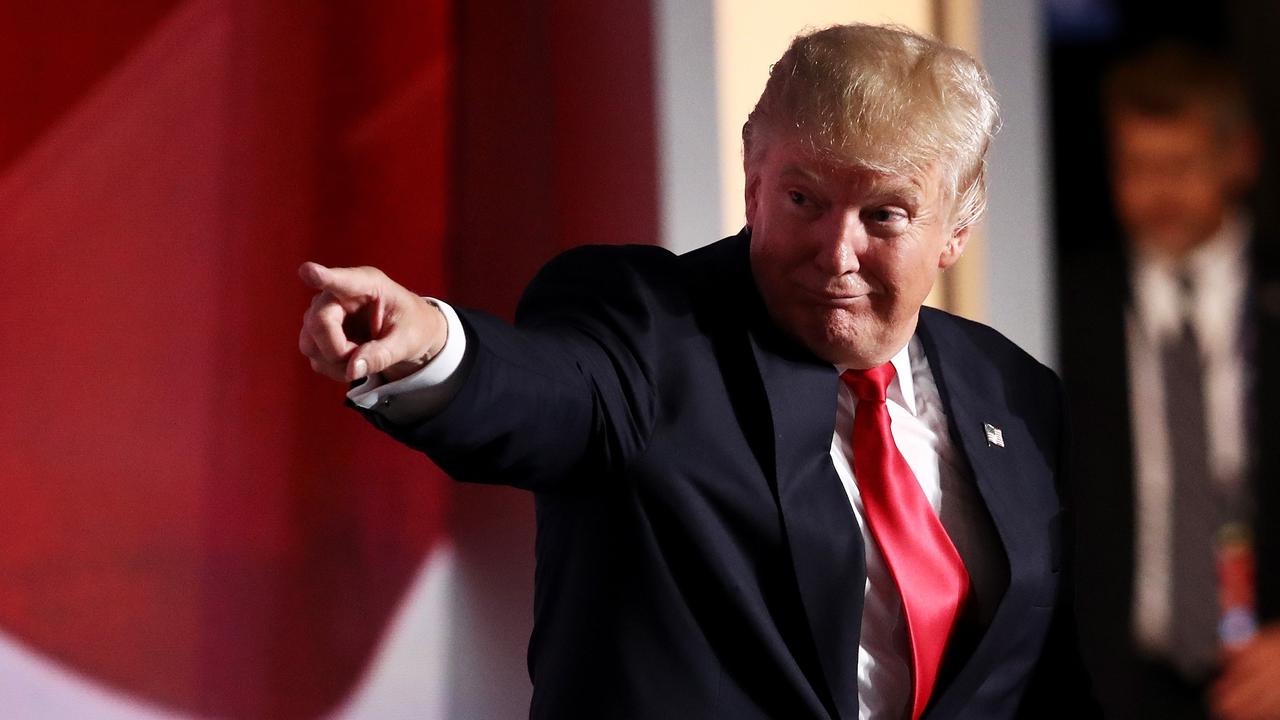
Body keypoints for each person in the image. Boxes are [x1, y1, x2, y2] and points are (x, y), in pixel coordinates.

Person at [300, 24, 1095, 719]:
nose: (836, 251)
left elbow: (1039, 674)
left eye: (884, 214)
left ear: (956, 226)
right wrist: (430, 346)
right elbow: (546, 388)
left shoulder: (1014, 395)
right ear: (753, 175)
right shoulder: (650, 327)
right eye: (803, 198)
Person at [1064, 43, 1280, 720]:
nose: (1160, 193)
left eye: (1181, 166)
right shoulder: (1069, 306)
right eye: (1137, 167)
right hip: (1114, 680)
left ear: (1239, 156)